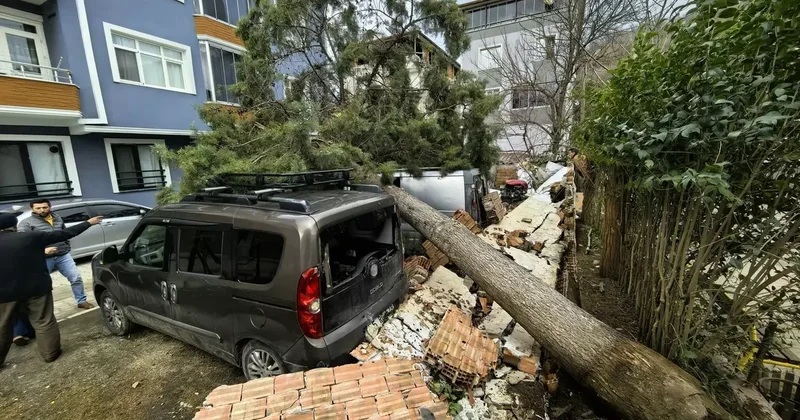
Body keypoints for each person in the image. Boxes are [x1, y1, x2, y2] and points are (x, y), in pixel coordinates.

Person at [0, 213, 103, 366]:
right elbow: (65, 233)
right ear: (14, 226)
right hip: (37, 288)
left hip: (4, 293)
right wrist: (87, 223)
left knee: (3, 325)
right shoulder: (31, 237)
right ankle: (50, 354)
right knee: (44, 321)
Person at [18, 199, 95, 310]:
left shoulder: (57, 218)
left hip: (62, 255)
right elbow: (24, 242)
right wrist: (42, 251)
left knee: (76, 278)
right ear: (32, 209)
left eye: (44, 207)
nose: (42, 210)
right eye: (38, 208)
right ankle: (43, 309)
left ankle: (81, 301)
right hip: (43, 258)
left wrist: (66, 246)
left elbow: (65, 233)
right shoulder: (26, 223)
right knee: (43, 285)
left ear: (49, 207)